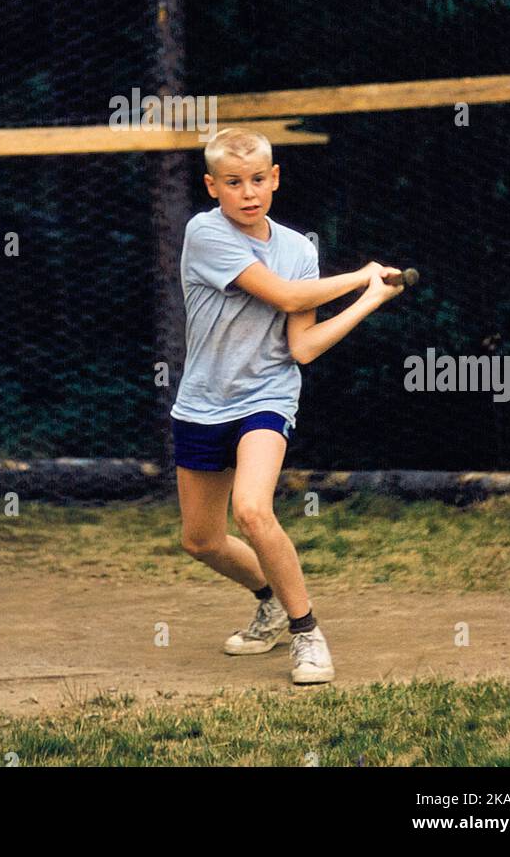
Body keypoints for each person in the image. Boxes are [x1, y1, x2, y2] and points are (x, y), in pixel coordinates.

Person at [172, 127, 402, 684]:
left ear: (274, 179)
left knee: (252, 508)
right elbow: (288, 297)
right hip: (203, 402)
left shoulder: (299, 249)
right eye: (233, 182)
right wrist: (363, 277)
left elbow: (301, 346)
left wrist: (368, 301)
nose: (247, 192)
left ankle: (307, 633)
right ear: (212, 187)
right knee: (200, 539)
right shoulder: (204, 233)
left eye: (257, 179)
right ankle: (270, 601)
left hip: (266, 397)